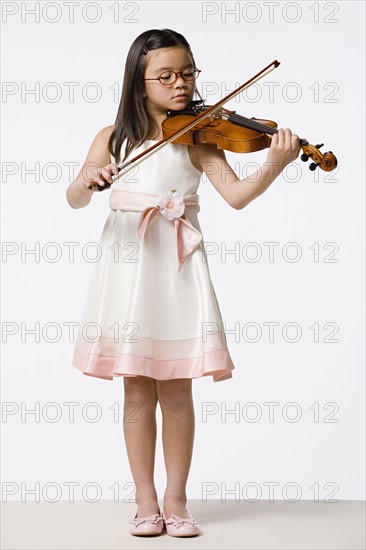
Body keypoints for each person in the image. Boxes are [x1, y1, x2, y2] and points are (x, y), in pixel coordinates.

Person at [66, 29, 300, 537]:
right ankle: (144, 500)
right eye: (166, 75)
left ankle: (176, 499)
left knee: (175, 391)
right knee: (135, 391)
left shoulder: (200, 134)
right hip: (128, 269)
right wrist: (85, 180)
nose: (180, 83)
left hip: (175, 269)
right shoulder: (111, 138)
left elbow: (236, 196)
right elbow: (75, 199)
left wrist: (274, 165)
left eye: (188, 72)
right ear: (139, 80)